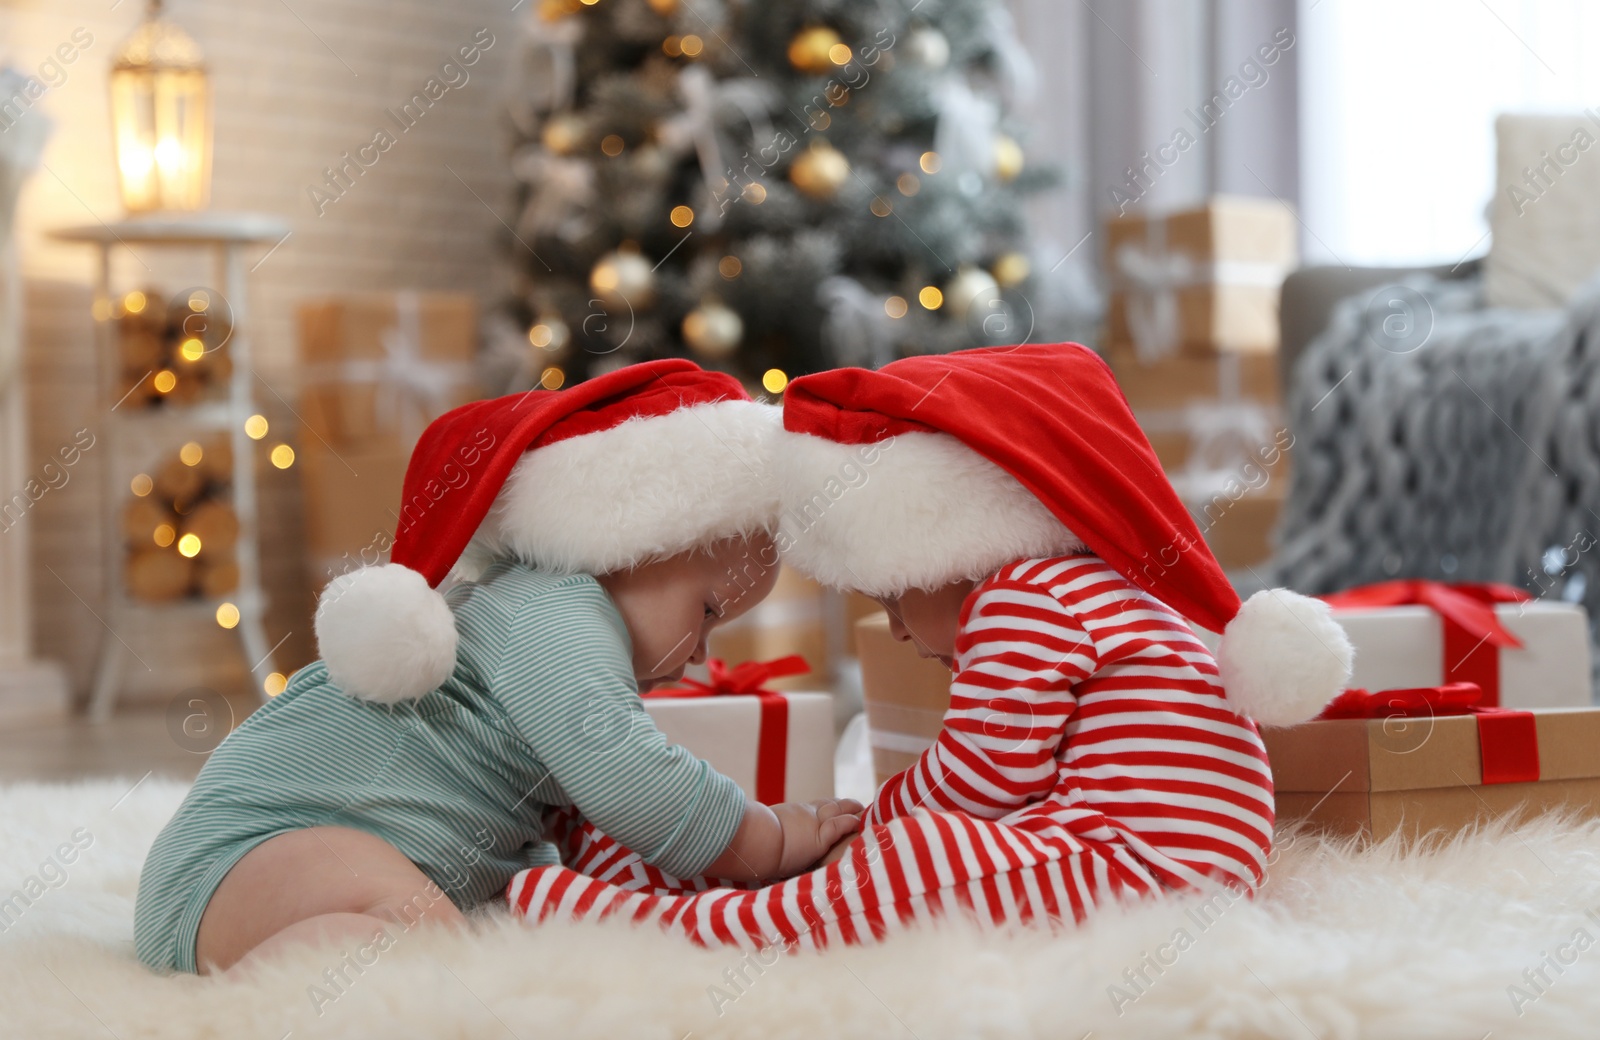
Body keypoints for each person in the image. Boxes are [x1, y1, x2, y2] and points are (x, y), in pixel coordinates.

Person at [507, 343, 1351, 948]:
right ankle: (702, 880)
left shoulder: (1026, 598)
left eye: (893, 596)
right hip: (1166, 862)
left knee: (924, 858)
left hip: (1138, 869)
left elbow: (990, 775)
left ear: (946, 544)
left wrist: (874, 822)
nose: (900, 631)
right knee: (910, 858)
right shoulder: (1094, 590)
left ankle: (682, 926)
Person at [134, 359, 861, 974]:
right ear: (637, 542)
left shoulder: (547, 621)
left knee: (462, 933)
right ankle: (261, 1007)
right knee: (420, 934)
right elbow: (633, 779)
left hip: (275, 873)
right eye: (707, 611)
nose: (704, 652)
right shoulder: (555, 608)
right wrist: (769, 837)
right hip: (240, 860)